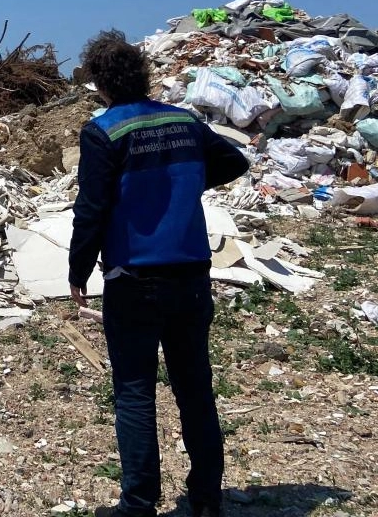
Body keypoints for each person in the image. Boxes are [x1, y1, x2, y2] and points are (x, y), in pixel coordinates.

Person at [68, 31, 249, 517]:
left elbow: (91, 208)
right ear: (143, 75)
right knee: (195, 388)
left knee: (134, 392)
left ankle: (138, 505)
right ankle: (206, 500)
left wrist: (78, 269)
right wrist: (182, 183)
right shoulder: (184, 121)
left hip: (134, 279)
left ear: (101, 83)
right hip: (191, 275)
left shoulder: (104, 131)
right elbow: (235, 160)